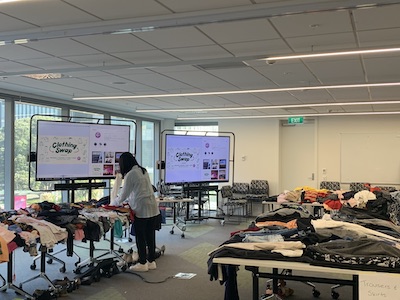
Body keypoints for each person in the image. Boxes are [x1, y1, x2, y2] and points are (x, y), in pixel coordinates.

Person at [110, 152, 160, 272]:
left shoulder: (131, 174)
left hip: (141, 208)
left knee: (140, 236)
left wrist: (111, 204)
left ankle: (142, 263)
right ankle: (151, 261)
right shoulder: (143, 170)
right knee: (150, 235)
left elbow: (123, 195)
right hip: (152, 206)